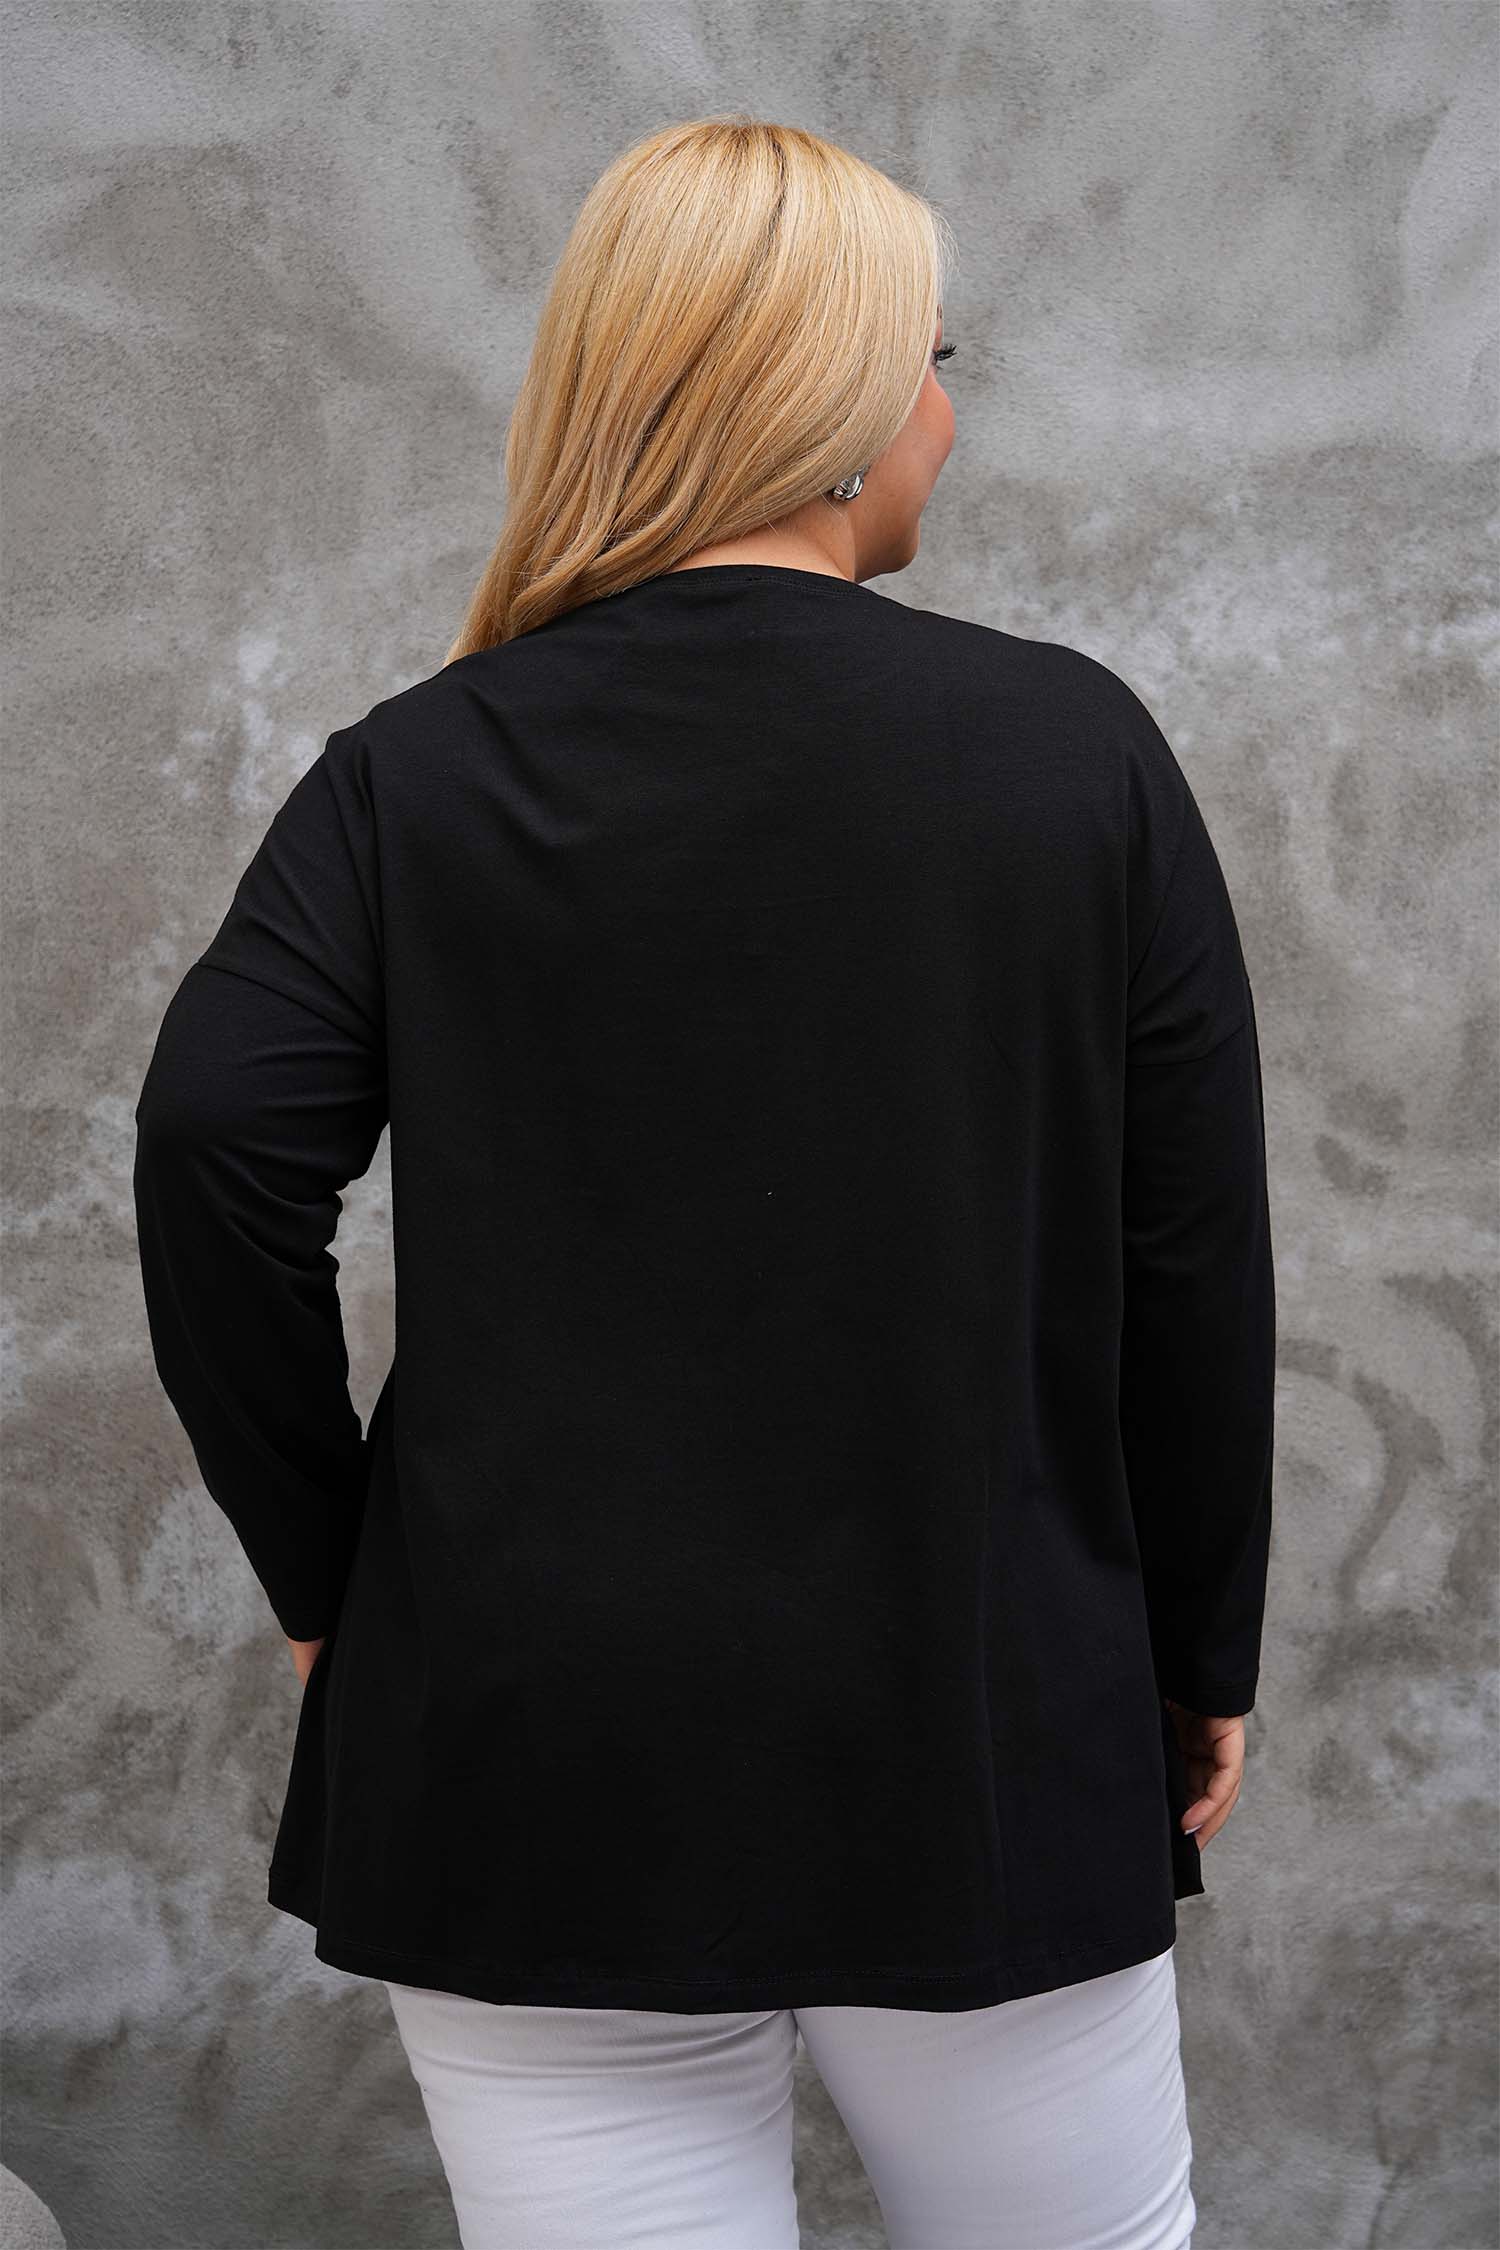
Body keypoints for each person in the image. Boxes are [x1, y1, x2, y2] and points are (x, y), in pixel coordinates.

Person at [132, 115, 1275, 2250]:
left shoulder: (411, 773)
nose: (946, 413)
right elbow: (1188, 1257)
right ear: (834, 409)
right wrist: (1197, 1646)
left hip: (530, 1745)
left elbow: (215, 1145)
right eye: (932, 358)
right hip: (984, 1716)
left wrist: (332, 1574)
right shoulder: (1078, 756)